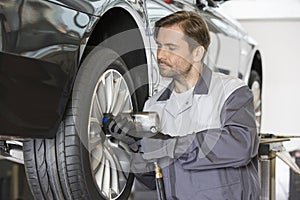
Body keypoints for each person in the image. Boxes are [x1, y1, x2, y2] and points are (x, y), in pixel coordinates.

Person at [105, 11, 260, 200]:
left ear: (197, 53)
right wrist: (136, 146)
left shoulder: (230, 91)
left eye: (171, 47)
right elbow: (154, 180)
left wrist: (168, 144)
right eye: (159, 46)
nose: (160, 55)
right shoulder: (154, 105)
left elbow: (239, 146)